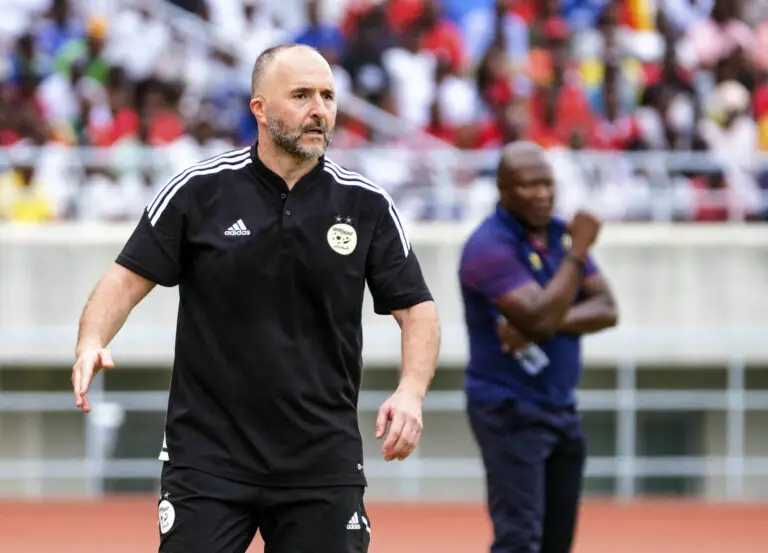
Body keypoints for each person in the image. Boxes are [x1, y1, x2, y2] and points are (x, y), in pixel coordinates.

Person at [70, 43, 441, 553]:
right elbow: (124, 280)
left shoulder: (367, 204)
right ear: (260, 109)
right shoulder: (198, 191)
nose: (319, 110)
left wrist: (411, 392)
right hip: (207, 458)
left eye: (328, 96)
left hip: (321, 459)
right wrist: (91, 340)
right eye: (302, 95)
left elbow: (417, 308)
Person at [457, 141, 618, 553]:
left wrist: (541, 324)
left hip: (560, 405)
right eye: (529, 185)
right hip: (509, 407)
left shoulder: (558, 234)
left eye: (548, 183)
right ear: (503, 190)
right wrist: (578, 252)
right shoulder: (488, 247)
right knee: (519, 539)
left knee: (555, 543)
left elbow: (607, 308)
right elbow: (540, 315)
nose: (543, 194)